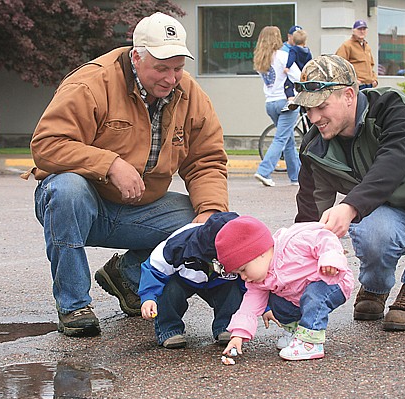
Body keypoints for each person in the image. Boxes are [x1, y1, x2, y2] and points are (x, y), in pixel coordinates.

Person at [23, 12, 229, 337]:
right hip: (86, 205)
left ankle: (128, 275)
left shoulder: (190, 95)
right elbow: (46, 145)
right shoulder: (91, 84)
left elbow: (206, 161)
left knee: (216, 224)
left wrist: (210, 213)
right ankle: (74, 305)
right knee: (65, 189)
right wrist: (110, 164)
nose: (171, 78)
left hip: (142, 209)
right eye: (161, 68)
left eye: (177, 68)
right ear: (136, 56)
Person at [291, 55, 405, 331]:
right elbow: (309, 219)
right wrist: (287, 287)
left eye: (321, 106)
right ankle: (375, 287)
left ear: (349, 96)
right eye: (307, 109)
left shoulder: (389, 105)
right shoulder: (314, 148)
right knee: (370, 228)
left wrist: (350, 206)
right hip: (387, 215)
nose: (313, 117)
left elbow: (393, 162)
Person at [217, 215, 354, 361]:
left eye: (243, 269)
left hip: (332, 281)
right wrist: (238, 334)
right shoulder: (258, 281)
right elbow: (249, 307)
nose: (243, 277)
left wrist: (330, 259)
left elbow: (324, 237)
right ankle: (295, 332)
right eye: (238, 274)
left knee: (314, 295)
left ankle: (310, 343)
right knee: (276, 303)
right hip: (299, 295)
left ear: (260, 252)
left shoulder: (293, 243)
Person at [138, 212, 245, 349]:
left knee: (232, 291)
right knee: (169, 290)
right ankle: (169, 329)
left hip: (220, 280)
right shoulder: (178, 243)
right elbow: (154, 269)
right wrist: (148, 297)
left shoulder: (242, 250)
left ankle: (227, 326)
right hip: (183, 277)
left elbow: (252, 282)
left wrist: (265, 307)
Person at [252, 26, 301, 187]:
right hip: (287, 102)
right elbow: (299, 76)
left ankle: (296, 177)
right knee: (281, 138)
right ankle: (264, 171)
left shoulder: (260, 59)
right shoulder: (283, 56)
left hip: (270, 103)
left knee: (288, 140)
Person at [335, 19, 378, 89]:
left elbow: (371, 65)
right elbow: (339, 65)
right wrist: (353, 81)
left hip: (369, 85)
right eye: (359, 29)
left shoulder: (367, 47)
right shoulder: (347, 45)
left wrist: (375, 79)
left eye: (364, 29)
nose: (362, 31)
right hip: (357, 85)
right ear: (353, 31)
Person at [281, 25, 302, 100]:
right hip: (286, 85)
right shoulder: (283, 50)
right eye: (295, 36)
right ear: (289, 36)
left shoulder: (302, 49)